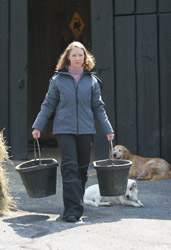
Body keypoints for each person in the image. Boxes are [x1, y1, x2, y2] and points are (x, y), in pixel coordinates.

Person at [32, 41, 114, 222]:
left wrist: (107, 128)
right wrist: (38, 126)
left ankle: (76, 202)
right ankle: (71, 210)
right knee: (70, 167)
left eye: (80, 55)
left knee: (82, 169)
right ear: (67, 57)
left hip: (86, 129)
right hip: (64, 129)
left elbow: (98, 107)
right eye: (74, 55)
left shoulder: (91, 81)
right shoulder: (58, 80)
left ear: (85, 57)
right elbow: (49, 104)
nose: (77, 58)